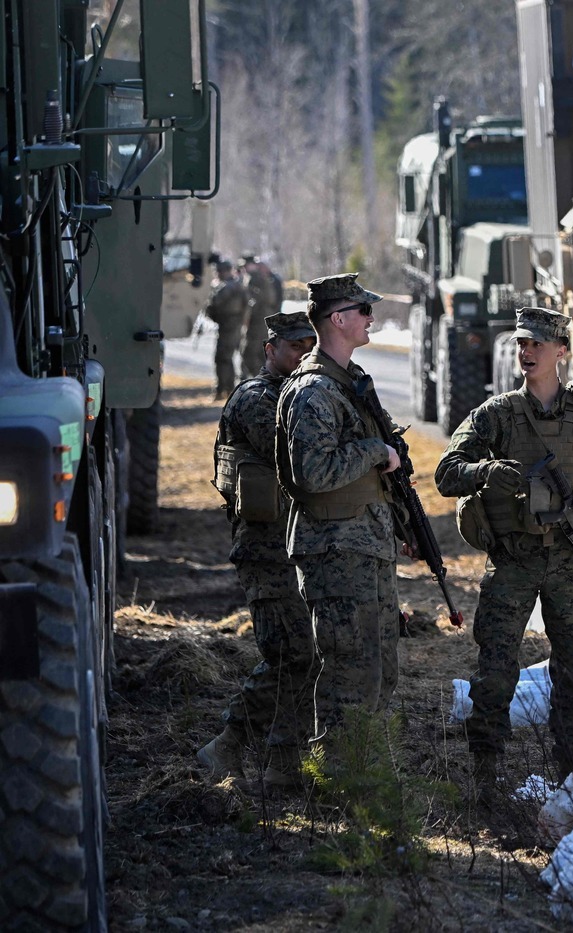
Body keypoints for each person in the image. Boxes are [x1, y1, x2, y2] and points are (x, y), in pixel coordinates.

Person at [434, 307, 573, 784]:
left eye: (537, 345)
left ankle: (571, 779)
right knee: (495, 672)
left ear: (561, 352)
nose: (526, 352)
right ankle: (486, 775)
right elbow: (446, 473)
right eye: (521, 344)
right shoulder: (497, 416)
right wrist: (484, 471)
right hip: (514, 560)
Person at [275, 273, 403, 745]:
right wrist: (373, 451)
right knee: (349, 673)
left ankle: (364, 777)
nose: (372, 318)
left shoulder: (349, 383)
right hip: (335, 550)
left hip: (366, 545)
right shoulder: (315, 392)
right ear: (339, 318)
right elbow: (312, 473)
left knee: (380, 668)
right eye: (364, 311)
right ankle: (335, 787)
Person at [199, 311, 319, 786]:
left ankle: (282, 762)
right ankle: (228, 742)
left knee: (306, 655)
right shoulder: (256, 399)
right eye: (294, 347)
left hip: (299, 548)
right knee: (290, 653)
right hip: (266, 553)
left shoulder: (305, 395)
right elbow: (301, 453)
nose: (303, 355)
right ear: (270, 350)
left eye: (310, 345)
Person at [205, 258, 249, 400]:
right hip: (231, 325)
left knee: (223, 357)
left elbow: (214, 303)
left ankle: (224, 389)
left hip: (229, 325)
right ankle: (226, 388)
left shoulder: (228, 286)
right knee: (226, 357)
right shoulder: (236, 285)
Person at [241, 254, 285, 378]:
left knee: (254, 352)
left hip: (264, 320)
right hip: (264, 319)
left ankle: (261, 378)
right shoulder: (264, 280)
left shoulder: (265, 280)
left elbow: (273, 300)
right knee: (259, 352)